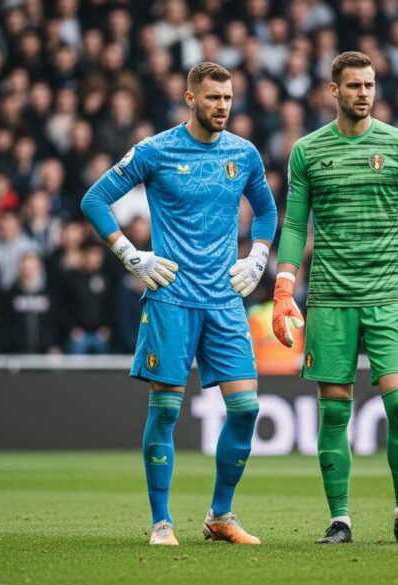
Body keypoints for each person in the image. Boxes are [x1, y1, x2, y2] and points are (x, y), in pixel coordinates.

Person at [81, 62, 277, 546]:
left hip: (225, 299)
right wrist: (130, 255)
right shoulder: (156, 150)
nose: (223, 106)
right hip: (170, 297)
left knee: (247, 408)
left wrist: (257, 257)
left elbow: (269, 210)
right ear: (190, 98)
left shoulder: (244, 153)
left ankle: (220, 516)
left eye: (228, 98)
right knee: (166, 412)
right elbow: (94, 200)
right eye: (213, 98)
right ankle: (162, 522)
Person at [271, 52, 398, 545]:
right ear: (333, 90)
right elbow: (295, 225)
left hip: (391, 294)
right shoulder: (307, 151)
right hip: (329, 297)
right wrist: (284, 287)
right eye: (353, 86)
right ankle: (340, 519)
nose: (363, 93)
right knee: (332, 412)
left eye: (369, 84)